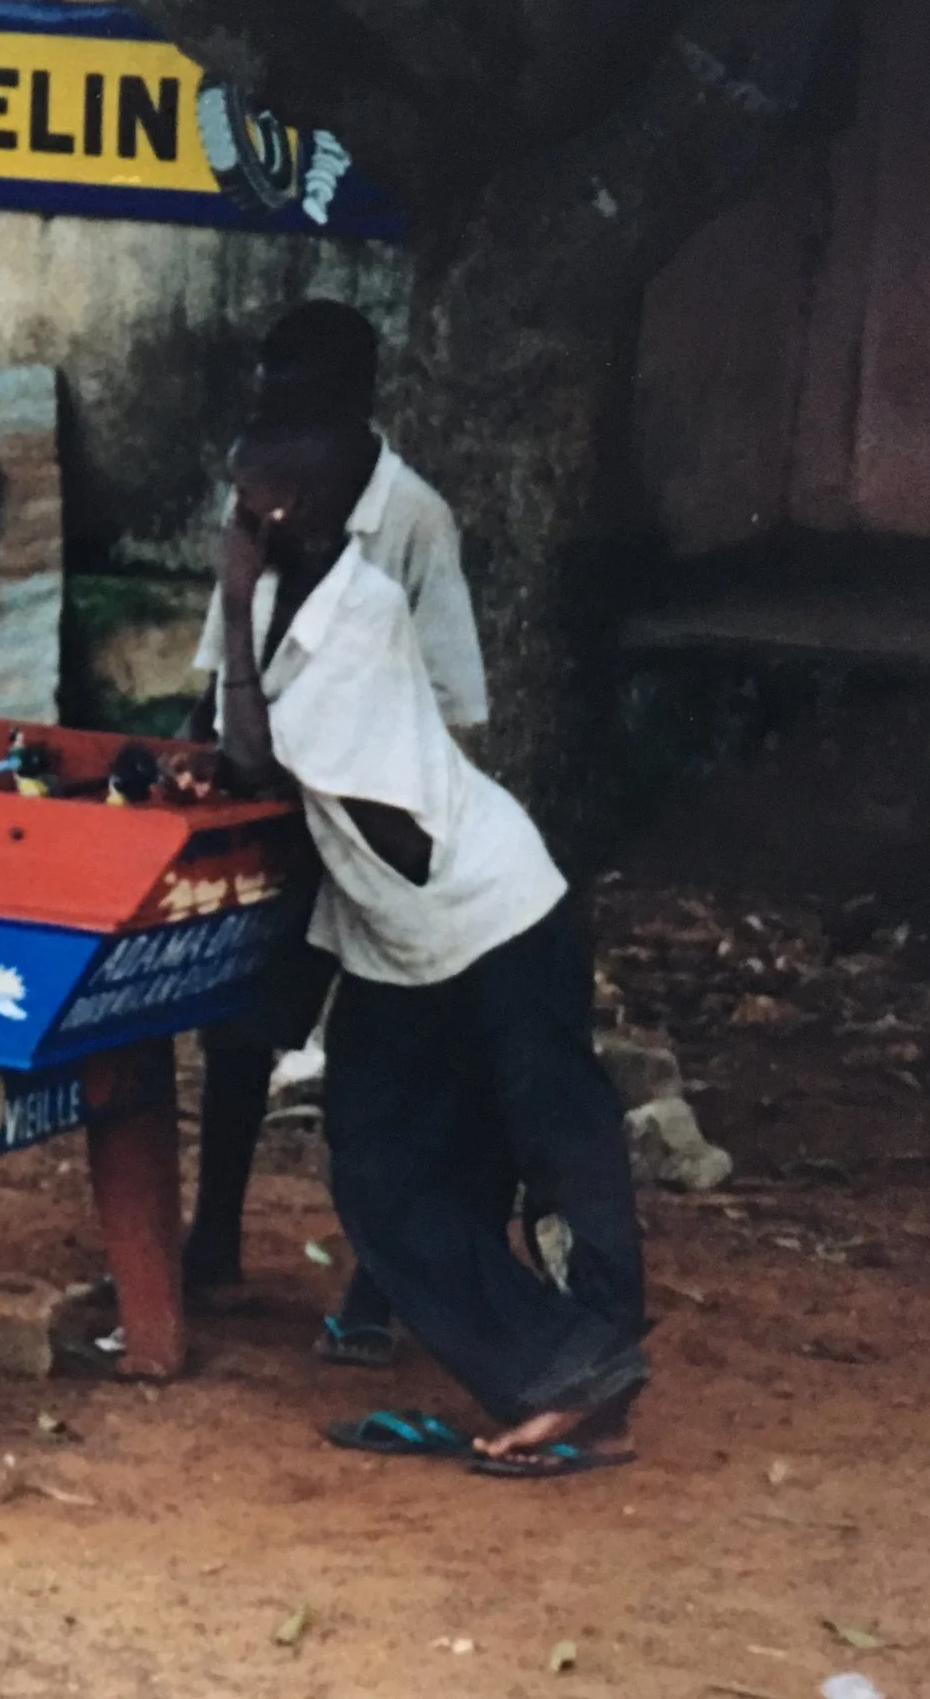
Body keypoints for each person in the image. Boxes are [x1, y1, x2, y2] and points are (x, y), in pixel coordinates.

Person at [213, 417, 648, 1477]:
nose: (229, 520)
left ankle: (578, 1365)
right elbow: (228, 735)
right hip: (400, 940)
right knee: (378, 1168)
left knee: (544, 1138)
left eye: (245, 499)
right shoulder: (287, 600)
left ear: (288, 515)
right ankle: (568, 1364)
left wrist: (229, 600)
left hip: (489, 916)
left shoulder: (356, 615)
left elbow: (256, 758)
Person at [181, 301, 489, 1374]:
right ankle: (211, 1238)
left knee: (383, 1063)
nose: (270, 428)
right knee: (238, 1027)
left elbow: (454, 705)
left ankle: (374, 1287)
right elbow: (216, 679)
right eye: (263, 402)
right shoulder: (258, 501)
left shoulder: (413, 523)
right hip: (273, 820)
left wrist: (358, 781)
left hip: (373, 828)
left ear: (349, 414)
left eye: (293, 405)